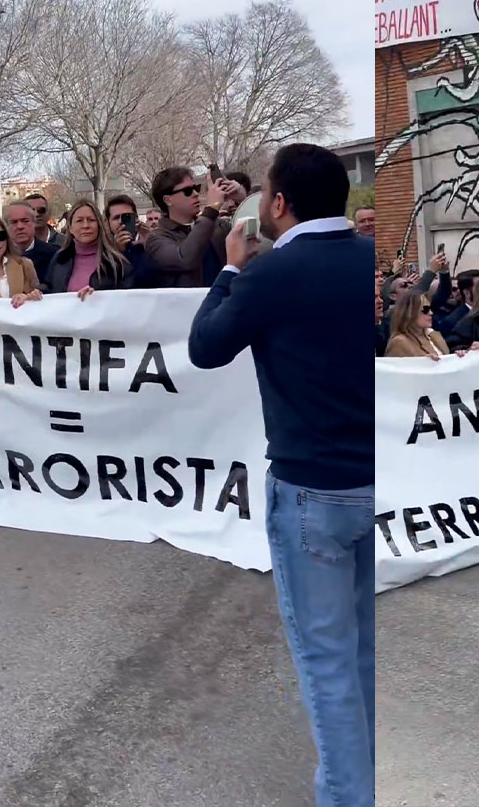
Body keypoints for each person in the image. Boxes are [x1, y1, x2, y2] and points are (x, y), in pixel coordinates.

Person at [185, 143, 375, 807]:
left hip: (308, 489)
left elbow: (205, 346)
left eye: (266, 191)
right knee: (361, 654)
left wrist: (230, 273)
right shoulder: (371, 262)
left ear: (281, 202)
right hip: (376, 482)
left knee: (328, 664)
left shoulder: (270, 274)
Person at [144, 165, 245, 288]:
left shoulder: (217, 225)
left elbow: (257, 238)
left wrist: (242, 199)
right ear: (168, 200)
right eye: (187, 191)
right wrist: (212, 207)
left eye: (196, 188)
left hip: (221, 303)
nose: (196, 194)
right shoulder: (156, 239)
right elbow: (184, 259)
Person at [45, 199, 134, 297]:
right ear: (70, 228)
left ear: (99, 225)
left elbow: (127, 301)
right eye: (79, 220)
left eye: (91, 220)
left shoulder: (117, 263)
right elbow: (48, 290)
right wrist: (36, 293)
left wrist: (97, 297)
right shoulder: (59, 260)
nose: (85, 226)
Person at [383, 289, 477, 360]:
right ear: (410, 312)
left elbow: (447, 360)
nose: (431, 313)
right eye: (425, 310)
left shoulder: (434, 335)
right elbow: (395, 374)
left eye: (430, 309)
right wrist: (423, 364)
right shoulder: (399, 342)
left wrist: (464, 353)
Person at [104, 194, 159, 288]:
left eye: (127, 216)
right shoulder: (103, 252)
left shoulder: (148, 242)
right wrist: (118, 253)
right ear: (108, 223)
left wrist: (150, 246)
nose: (121, 221)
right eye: (116, 217)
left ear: (136, 219)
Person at [7, 199, 57, 282]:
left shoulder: (53, 255)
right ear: (7, 226)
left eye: (25, 221)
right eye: (14, 222)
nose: (20, 226)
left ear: (34, 223)